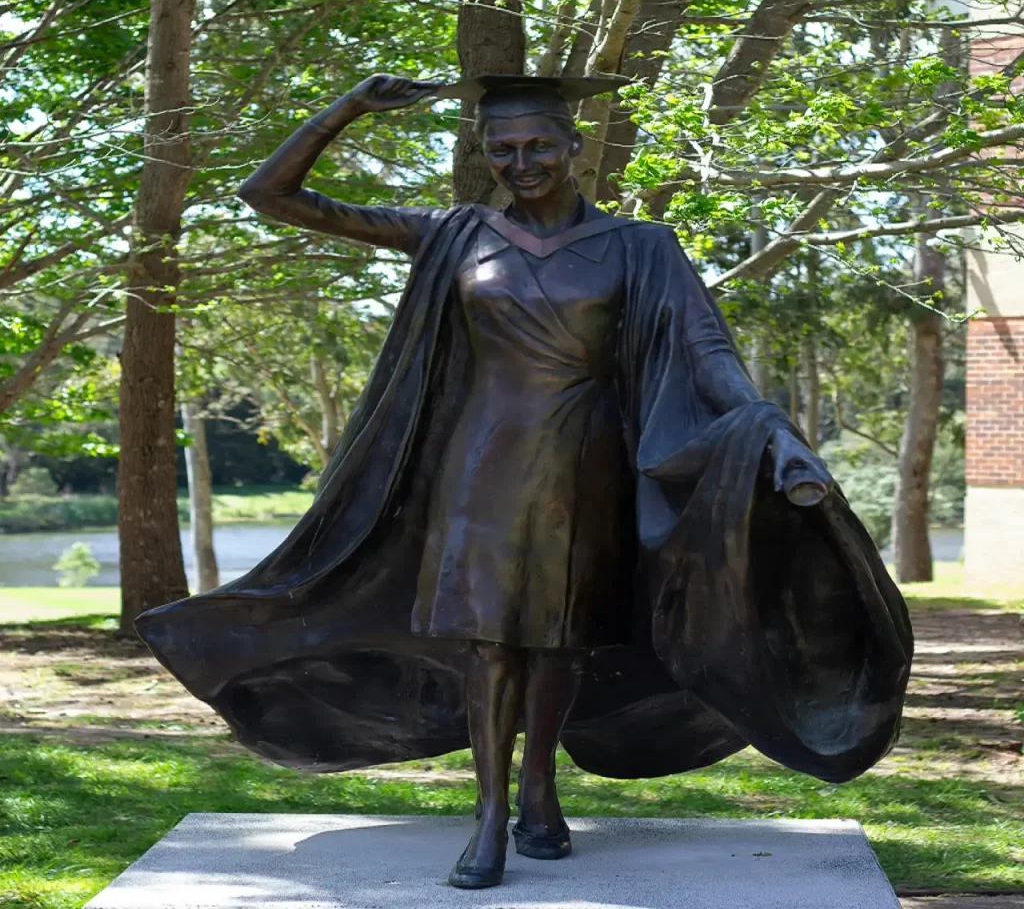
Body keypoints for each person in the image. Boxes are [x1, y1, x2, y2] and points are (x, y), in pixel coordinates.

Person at [137, 74, 912, 891]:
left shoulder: (639, 246)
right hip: (479, 466)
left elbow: (705, 350)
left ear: (576, 146)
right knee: (489, 642)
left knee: (558, 637)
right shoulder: (454, 233)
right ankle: (489, 814)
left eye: (539, 144)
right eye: (501, 149)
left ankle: (540, 788)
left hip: (587, 465)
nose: (521, 162)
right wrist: (348, 108)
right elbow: (270, 196)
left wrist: (771, 431)